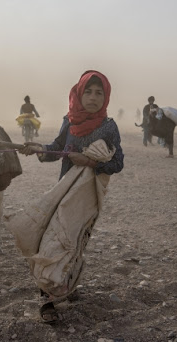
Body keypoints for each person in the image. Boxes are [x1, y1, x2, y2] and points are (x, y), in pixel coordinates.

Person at [19, 70, 124, 323]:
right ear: (78, 93)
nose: (93, 97)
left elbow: (118, 162)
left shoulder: (108, 127)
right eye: (88, 91)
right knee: (52, 242)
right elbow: (57, 148)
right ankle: (46, 299)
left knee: (76, 243)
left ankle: (66, 285)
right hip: (63, 191)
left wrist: (89, 161)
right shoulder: (69, 120)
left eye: (99, 93)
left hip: (88, 197)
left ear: (106, 97)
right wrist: (39, 149)